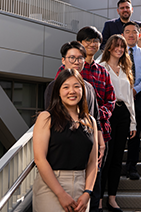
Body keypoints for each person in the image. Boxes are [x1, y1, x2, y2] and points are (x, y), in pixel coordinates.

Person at [55, 26, 116, 212]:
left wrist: (99, 117)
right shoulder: (65, 72)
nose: (92, 44)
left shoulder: (102, 71)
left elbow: (110, 99)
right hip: (69, 133)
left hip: (98, 130)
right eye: (87, 41)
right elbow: (57, 102)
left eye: (95, 41)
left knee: (95, 174)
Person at [33, 68, 98, 212]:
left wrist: (88, 192)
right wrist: (61, 194)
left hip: (82, 185)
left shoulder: (90, 121)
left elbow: (93, 162)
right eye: (66, 87)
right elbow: (39, 159)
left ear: (83, 90)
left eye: (76, 86)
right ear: (58, 91)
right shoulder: (46, 117)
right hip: (51, 185)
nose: (72, 91)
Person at [99, 34, 136, 212]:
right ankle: (98, 199)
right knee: (104, 158)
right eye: (116, 46)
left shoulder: (125, 69)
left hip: (123, 114)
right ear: (109, 47)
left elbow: (130, 99)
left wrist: (133, 123)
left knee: (116, 159)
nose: (119, 49)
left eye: (122, 46)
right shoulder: (101, 67)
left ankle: (112, 199)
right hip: (107, 113)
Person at [123, 21, 141, 178]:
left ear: (139, 34)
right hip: (120, 98)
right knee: (122, 131)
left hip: (139, 96)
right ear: (123, 35)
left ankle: (132, 167)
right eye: (127, 31)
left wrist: (135, 89)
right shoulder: (118, 53)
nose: (131, 34)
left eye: (134, 31)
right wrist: (126, 91)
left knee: (136, 133)